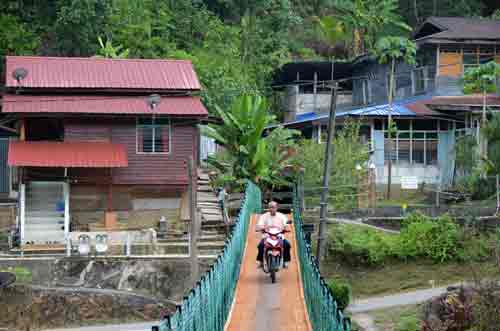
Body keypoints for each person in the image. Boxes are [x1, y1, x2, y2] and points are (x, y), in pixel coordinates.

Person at [256, 201, 291, 268]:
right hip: (267, 236)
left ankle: (285, 261)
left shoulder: (281, 216)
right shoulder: (264, 216)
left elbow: (287, 225)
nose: (272, 209)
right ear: (268, 208)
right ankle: (261, 262)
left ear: (276, 207)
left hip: (279, 235)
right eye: (270, 207)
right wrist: (261, 228)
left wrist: (286, 228)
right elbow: (259, 225)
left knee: (287, 245)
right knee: (260, 246)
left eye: (273, 207)